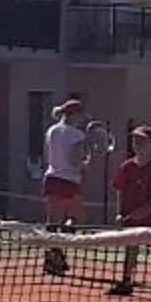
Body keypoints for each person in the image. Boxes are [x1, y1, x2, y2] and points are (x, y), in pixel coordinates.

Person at [106, 123, 151, 300]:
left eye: (142, 141)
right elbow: (120, 190)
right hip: (132, 219)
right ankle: (126, 282)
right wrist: (120, 212)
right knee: (131, 249)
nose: (137, 144)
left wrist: (143, 212)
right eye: (135, 140)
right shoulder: (127, 167)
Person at [38, 97, 102, 274]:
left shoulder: (51, 131)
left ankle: (53, 255)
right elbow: (75, 160)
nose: (82, 119)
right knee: (75, 218)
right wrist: (86, 164)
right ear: (74, 115)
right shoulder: (77, 135)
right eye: (80, 115)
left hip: (51, 178)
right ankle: (57, 252)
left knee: (52, 222)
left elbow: (49, 156)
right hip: (68, 180)